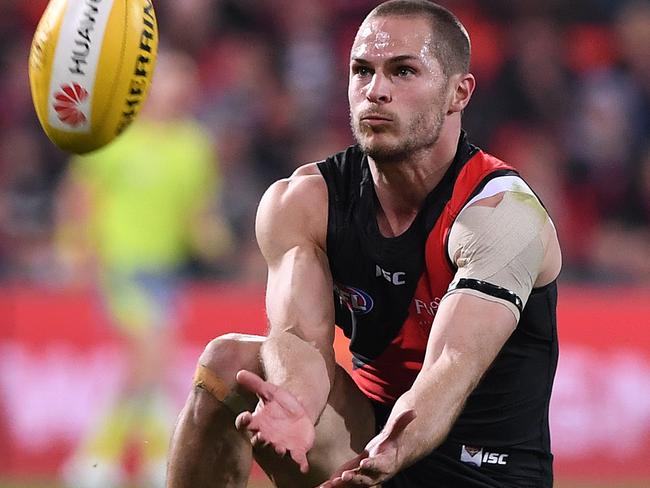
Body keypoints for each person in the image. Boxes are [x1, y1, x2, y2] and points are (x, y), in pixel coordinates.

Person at [167, 1, 562, 487]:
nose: (375, 91)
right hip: (362, 451)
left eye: (402, 71)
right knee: (227, 362)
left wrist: (391, 454)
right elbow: (297, 338)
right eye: (362, 71)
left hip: (481, 472)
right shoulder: (305, 201)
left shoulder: (501, 215)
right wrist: (296, 407)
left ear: (458, 93)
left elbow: (450, 367)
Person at [57, 49, 232, 488]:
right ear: (149, 86)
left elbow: (199, 213)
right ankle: (105, 461)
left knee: (147, 368)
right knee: (151, 355)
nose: (181, 89)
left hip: (165, 272)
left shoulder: (194, 145)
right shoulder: (115, 136)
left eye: (186, 80)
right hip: (120, 266)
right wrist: (76, 251)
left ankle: (128, 460)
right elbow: (80, 197)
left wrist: (219, 242)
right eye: (172, 79)